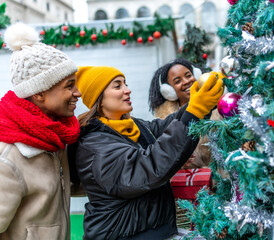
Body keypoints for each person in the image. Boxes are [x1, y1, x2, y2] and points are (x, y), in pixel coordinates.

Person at [70, 66, 223, 239]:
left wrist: (199, 103)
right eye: (117, 86)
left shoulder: (132, 126)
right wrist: (195, 111)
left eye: (125, 84)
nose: (127, 90)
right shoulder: (95, 146)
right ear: (100, 100)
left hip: (152, 232)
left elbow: (166, 127)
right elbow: (150, 166)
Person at [0, 23, 81, 239]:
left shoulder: (54, 136)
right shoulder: (9, 157)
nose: (78, 92)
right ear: (39, 94)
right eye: (69, 85)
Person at [148, 58, 220, 168]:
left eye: (188, 75)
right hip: (183, 182)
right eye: (177, 81)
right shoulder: (163, 122)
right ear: (169, 91)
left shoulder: (218, 109)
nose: (186, 81)